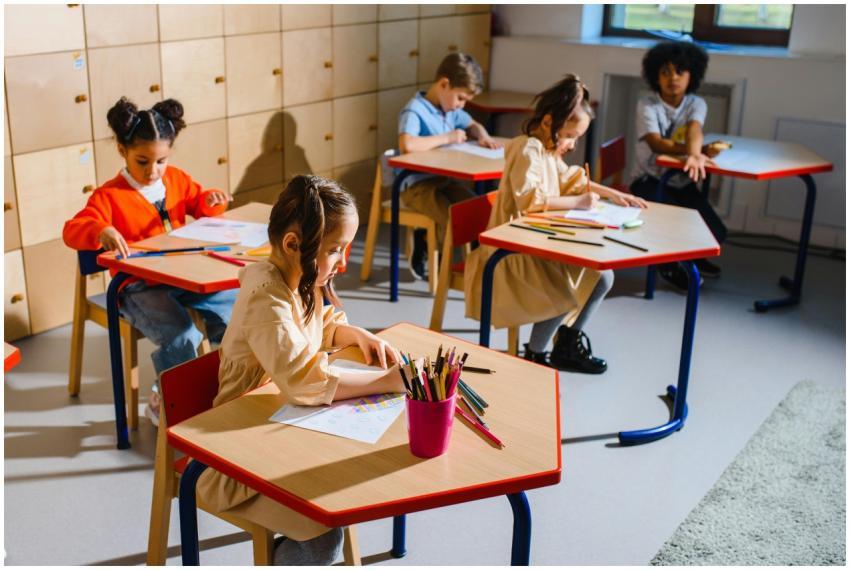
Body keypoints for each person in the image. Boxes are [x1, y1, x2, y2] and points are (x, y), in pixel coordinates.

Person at [197, 174, 404, 564]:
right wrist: (386, 381)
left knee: (344, 489)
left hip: (277, 429)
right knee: (323, 536)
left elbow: (313, 329)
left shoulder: (297, 278)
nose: (343, 263)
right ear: (293, 244)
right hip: (235, 455)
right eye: (335, 250)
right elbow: (303, 382)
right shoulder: (266, 297)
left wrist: (353, 333)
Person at [62, 97, 234, 425]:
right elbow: (72, 230)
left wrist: (211, 201)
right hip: (138, 288)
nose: (152, 171)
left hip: (184, 275)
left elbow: (200, 204)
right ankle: (167, 398)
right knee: (182, 336)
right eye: (142, 161)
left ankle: (227, 385)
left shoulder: (177, 179)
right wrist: (101, 230)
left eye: (161, 161)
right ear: (122, 151)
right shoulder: (108, 196)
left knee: (235, 311)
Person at [464, 76, 646, 373]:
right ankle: (534, 355)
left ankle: (566, 342)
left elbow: (570, 179)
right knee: (562, 291)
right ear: (549, 122)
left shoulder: (546, 150)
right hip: (511, 254)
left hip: (536, 244)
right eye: (570, 135)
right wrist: (577, 203)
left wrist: (611, 193)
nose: (573, 144)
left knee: (602, 277)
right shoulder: (526, 149)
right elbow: (530, 199)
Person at [629, 40, 727, 289]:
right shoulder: (647, 105)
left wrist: (696, 154)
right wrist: (697, 151)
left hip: (679, 180)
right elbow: (657, 144)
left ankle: (692, 258)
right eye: (665, 72)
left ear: (691, 75)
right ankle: (670, 266)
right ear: (655, 77)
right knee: (677, 225)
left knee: (716, 231)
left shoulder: (696, 103)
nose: (673, 78)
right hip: (647, 180)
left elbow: (695, 128)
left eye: (679, 72)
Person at [397, 51, 501, 281]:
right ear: (444, 84)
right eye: (461, 98)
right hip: (416, 186)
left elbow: (471, 123)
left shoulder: (450, 110)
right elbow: (407, 144)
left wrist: (482, 135)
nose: (461, 105)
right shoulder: (415, 109)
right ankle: (441, 266)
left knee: (477, 208)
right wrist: (447, 138)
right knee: (452, 219)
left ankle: (475, 264)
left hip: (443, 180)